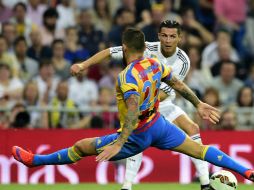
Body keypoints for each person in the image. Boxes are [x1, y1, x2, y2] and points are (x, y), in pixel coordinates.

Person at [12, 29, 254, 187]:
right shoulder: (155, 63)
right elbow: (178, 83)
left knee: (81, 146)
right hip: (159, 126)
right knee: (200, 149)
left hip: (137, 134)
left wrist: (119, 142)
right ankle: (246, 171)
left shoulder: (127, 77)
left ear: (125, 48)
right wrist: (198, 103)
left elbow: (132, 111)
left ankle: (36, 160)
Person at [68, 20, 212, 190]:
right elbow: (109, 52)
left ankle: (205, 183)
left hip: (163, 103)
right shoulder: (146, 48)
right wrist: (83, 65)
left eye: (172, 36)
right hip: (142, 105)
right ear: (158, 36)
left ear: (179, 38)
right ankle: (127, 186)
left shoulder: (183, 61)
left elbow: (166, 91)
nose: (167, 40)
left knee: (193, 128)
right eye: (164, 36)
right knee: (139, 140)